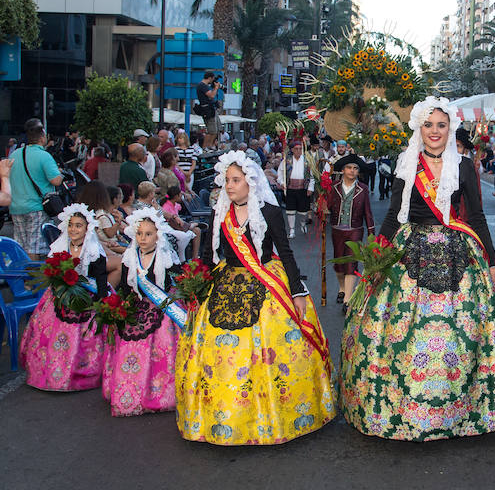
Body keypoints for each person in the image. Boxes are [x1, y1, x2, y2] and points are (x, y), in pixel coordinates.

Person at [340, 96, 495, 441]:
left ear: (451, 129)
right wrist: (377, 256)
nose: (435, 131)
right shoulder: (408, 162)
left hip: (457, 252)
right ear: (419, 127)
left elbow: (475, 217)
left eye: (441, 125)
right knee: (396, 327)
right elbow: (392, 215)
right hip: (409, 252)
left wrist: (492, 259)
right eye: (429, 125)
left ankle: (458, 411)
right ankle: (400, 408)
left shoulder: (463, 166)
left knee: (462, 331)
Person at [175, 150, 334, 445]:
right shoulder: (219, 213)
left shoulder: (269, 212)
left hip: (265, 281)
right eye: (226, 180)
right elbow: (209, 256)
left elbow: (285, 253)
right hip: (226, 282)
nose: (230, 185)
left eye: (235, 180)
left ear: (250, 181)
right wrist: (196, 287)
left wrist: (297, 290)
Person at [101, 209, 181, 417]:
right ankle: (130, 393)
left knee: (162, 350)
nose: (143, 238)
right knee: (131, 350)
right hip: (137, 308)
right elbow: (126, 288)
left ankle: (161, 394)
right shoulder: (130, 257)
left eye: (148, 234)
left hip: (162, 310)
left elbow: (176, 281)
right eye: (139, 234)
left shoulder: (164, 256)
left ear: (158, 235)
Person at [19, 204, 108, 391]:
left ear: (87, 229)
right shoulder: (59, 248)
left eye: (78, 226)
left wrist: (99, 303)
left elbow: (100, 281)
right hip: (59, 297)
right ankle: (46, 372)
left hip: (85, 299)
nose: (74, 229)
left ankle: (80, 374)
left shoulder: (94, 252)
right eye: (71, 225)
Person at [327, 154, 375, 312]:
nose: (352, 171)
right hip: (337, 229)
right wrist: (321, 208)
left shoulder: (363, 189)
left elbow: (368, 212)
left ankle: (348, 299)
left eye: (355, 168)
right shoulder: (333, 187)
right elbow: (326, 207)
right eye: (349, 167)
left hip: (355, 230)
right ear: (342, 170)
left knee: (351, 262)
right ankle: (342, 288)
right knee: (339, 263)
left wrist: (371, 233)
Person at [10, 119, 63, 260]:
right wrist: (60, 172)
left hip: (16, 207)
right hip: (36, 207)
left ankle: (22, 278)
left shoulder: (14, 154)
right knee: (33, 247)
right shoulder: (44, 156)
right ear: (42, 137)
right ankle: (31, 280)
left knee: (21, 245)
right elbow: (56, 180)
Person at [79, 181, 126, 288]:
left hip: (93, 251)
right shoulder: (94, 216)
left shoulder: (88, 214)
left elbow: (93, 241)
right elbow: (88, 243)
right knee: (122, 262)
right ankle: (105, 296)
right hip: (86, 258)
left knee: (122, 258)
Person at [276, 141, 315, 238]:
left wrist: (310, 187)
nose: (298, 151)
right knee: (290, 210)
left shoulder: (307, 161)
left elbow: (312, 176)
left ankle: (302, 223)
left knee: (303, 211)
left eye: (300, 149)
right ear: (292, 150)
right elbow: (280, 173)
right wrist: (282, 183)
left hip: (303, 188)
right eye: (296, 149)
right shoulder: (286, 160)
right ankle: (292, 230)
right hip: (290, 188)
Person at [196, 71, 222, 150]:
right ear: (210, 78)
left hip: (211, 109)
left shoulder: (204, 86)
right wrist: (216, 88)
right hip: (207, 110)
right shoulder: (202, 86)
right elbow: (211, 95)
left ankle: (210, 145)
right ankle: (205, 147)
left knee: (217, 128)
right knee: (211, 130)